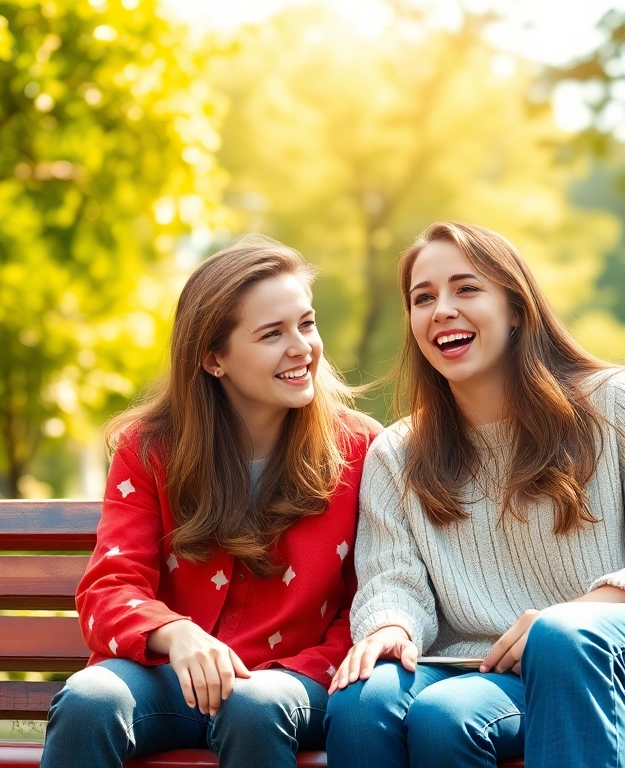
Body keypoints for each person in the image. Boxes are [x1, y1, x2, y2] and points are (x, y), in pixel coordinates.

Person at [325, 222, 625, 768]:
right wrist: (390, 627)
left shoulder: (615, 404)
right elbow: (393, 581)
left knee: (565, 638)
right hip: (500, 672)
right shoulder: (398, 454)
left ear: (517, 309)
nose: (442, 309)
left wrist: (584, 611)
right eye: (422, 298)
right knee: (373, 703)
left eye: (466, 288)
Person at [41, 235, 380, 768]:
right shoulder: (148, 449)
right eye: (272, 333)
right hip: (170, 681)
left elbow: (367, 601)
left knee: (253, 704)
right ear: (213, 358)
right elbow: (111, 587)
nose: (302, 347)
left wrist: (292, 673)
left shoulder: (362, 450)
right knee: (89, 699)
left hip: (295, 686)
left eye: (307, 324)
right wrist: (175, 635)